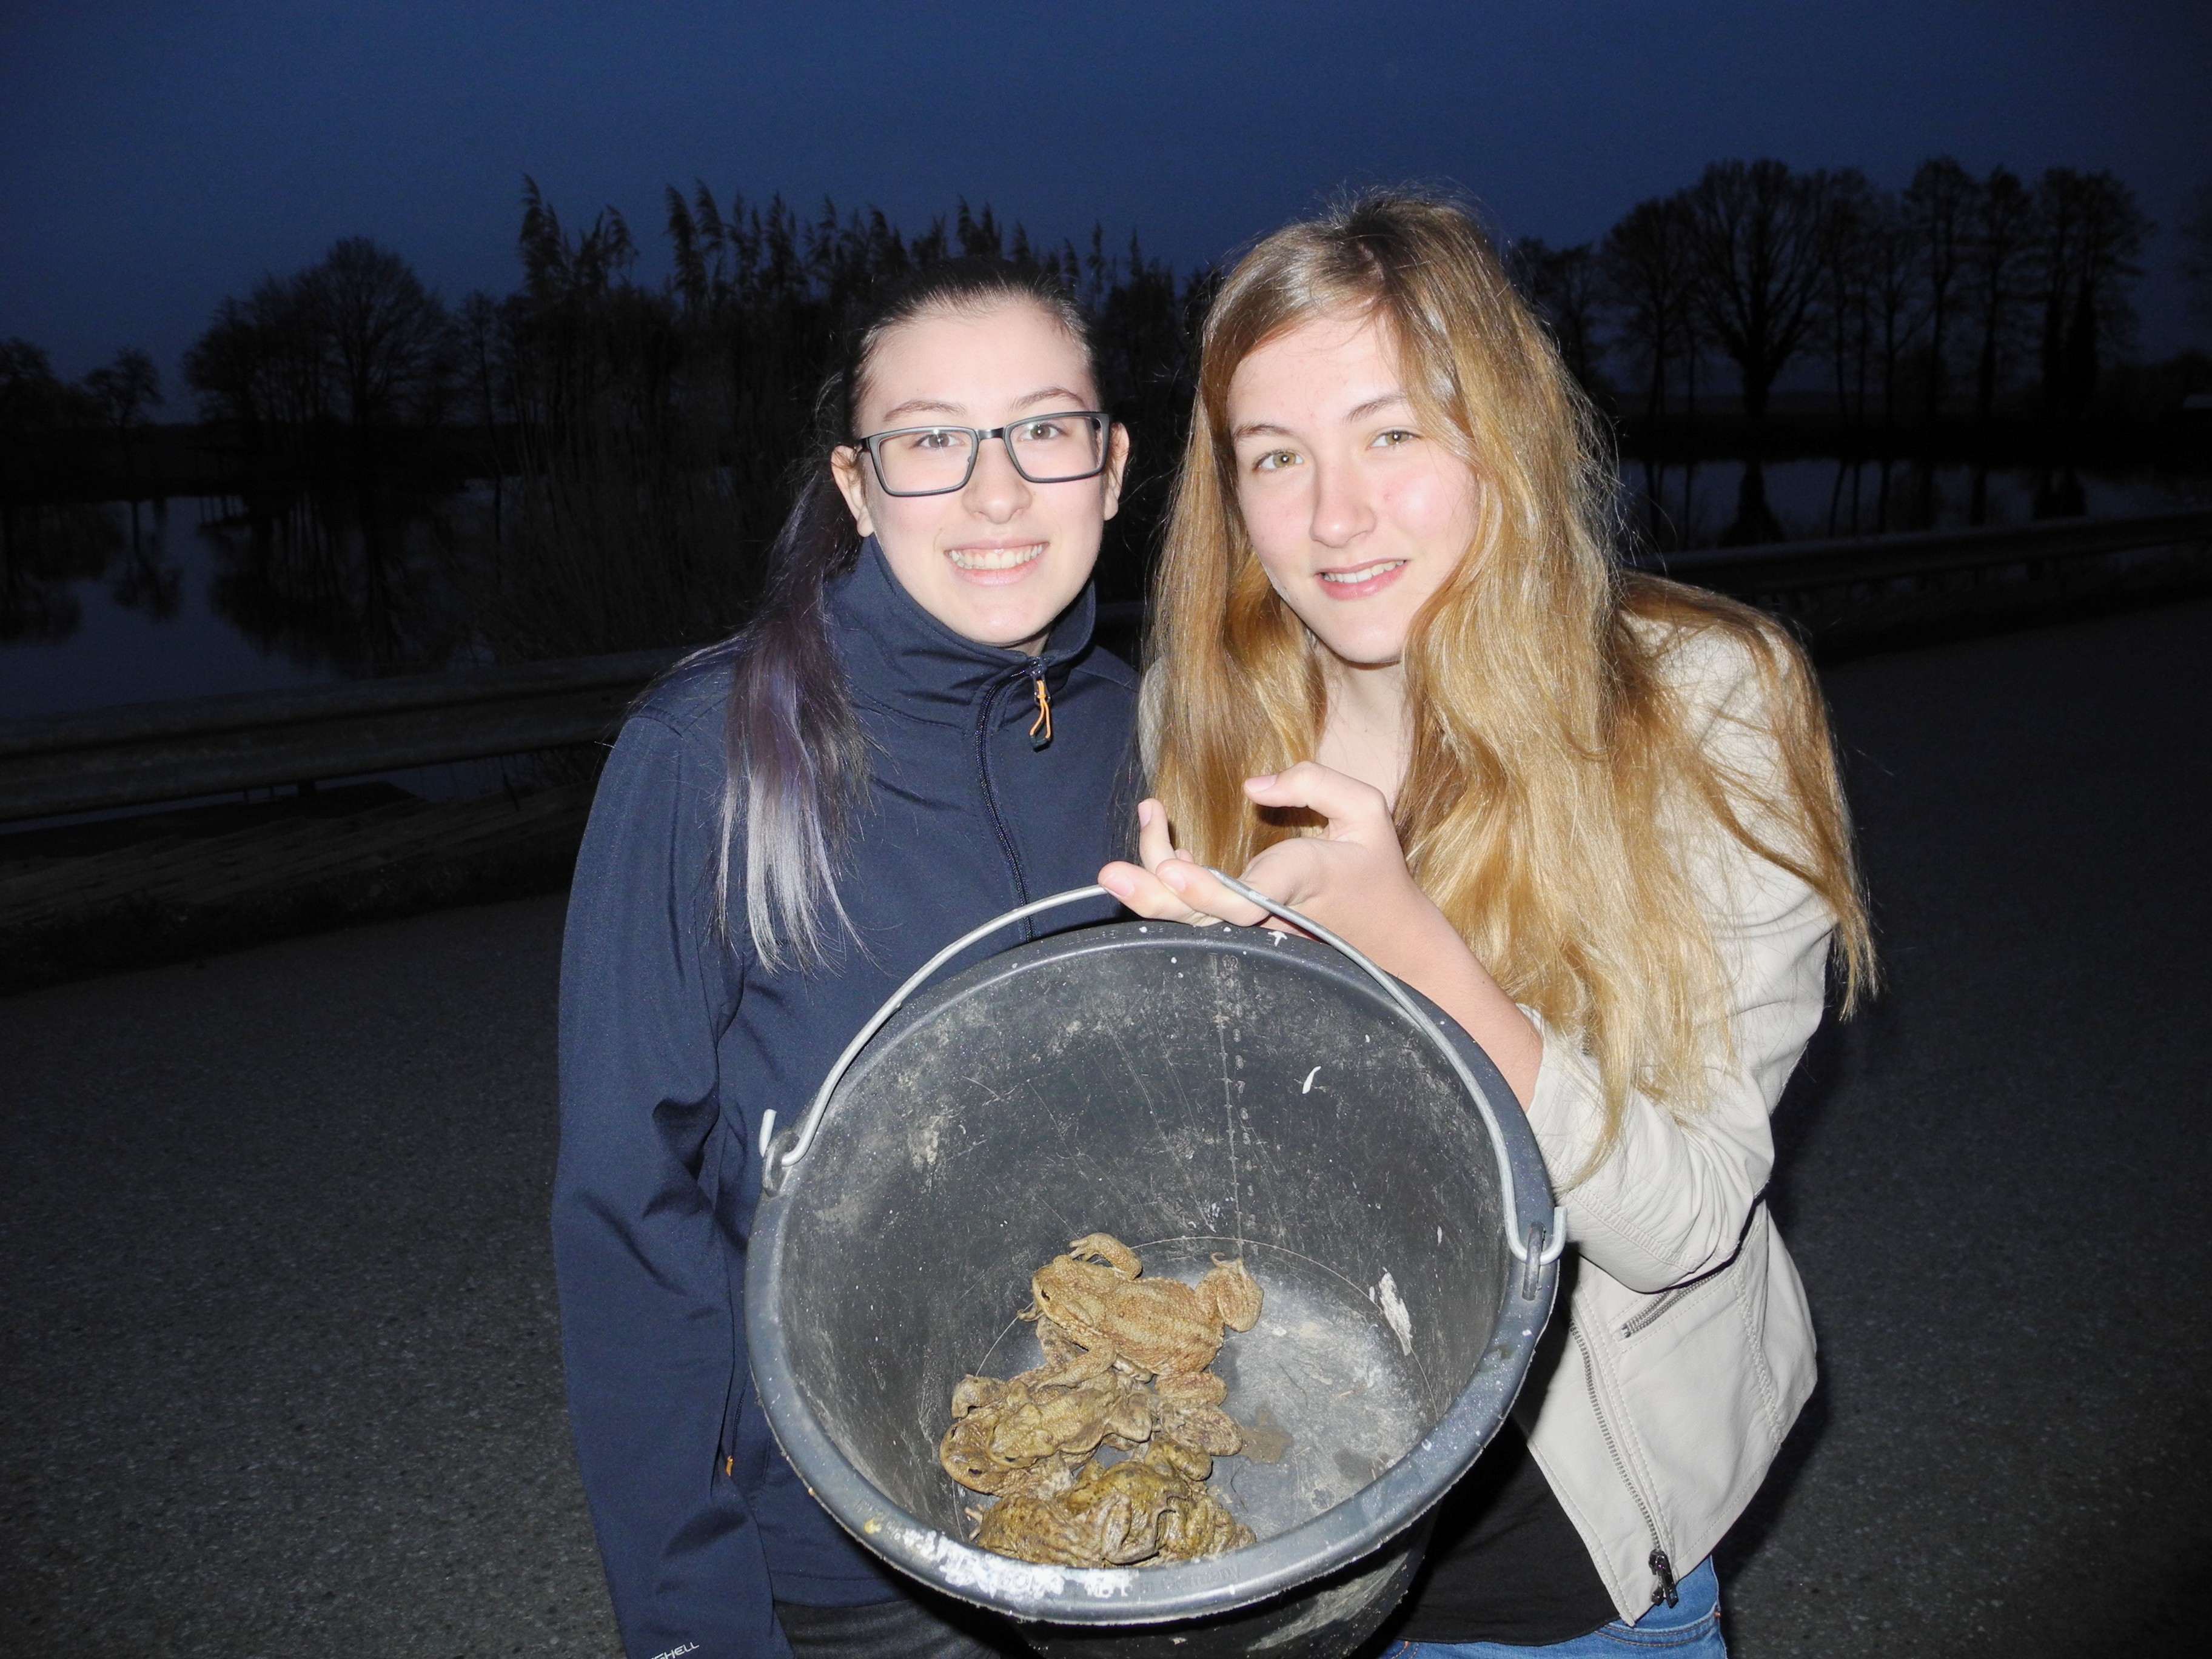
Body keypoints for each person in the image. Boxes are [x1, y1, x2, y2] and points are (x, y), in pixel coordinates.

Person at [1099, 193, 1872, 1657]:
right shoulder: (1201, 725)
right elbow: (1224, 1190)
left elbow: (1689, 1224)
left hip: (1557, 1572)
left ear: (1498, 435)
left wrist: (1424, 953)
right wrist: (1163, 1015)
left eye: (1391, 434)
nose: (1335, 515)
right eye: (1279, 457)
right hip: (1286, 1530)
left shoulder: (1703, 708)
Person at [555, 257, 1138, 1659]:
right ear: (858, 487)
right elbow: (628, 1219)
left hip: (1116, 1488)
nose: (996, 495)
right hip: (852, 1554)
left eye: (1044, 430)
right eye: (932, 440)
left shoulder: (1140, 724)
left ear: (1111, 469)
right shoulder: (710, 757)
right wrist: (695, 1618)